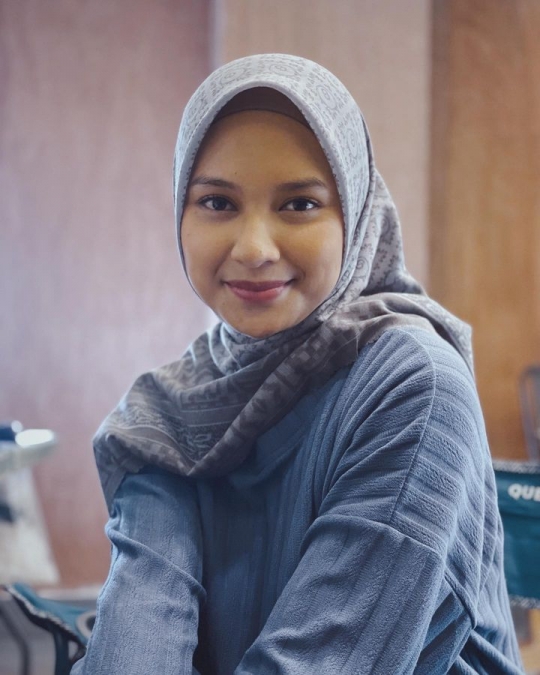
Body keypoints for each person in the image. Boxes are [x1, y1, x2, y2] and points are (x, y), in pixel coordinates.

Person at [72, 54, 523, 674]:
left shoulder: (414, 390)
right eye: (217, 202)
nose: (254, 248)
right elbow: (138, 643)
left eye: (300, 205)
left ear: (355, 215)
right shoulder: (175, 411)